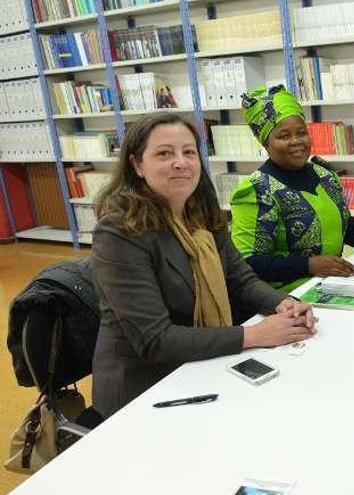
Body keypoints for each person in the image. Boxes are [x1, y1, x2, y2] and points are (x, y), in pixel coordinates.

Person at [90, 113, 317, 419]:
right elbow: (155, 340)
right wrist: (256, 335)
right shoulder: (118, 233)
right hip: (145, 389)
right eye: (164, 153)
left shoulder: (202, 216)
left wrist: (285, 305)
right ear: (137, 165)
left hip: (205, 365)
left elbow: (242, 281)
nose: (180, 162)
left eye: (189, 152)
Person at [230, 85, 354, 293]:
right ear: (266, 143)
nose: (296, 142)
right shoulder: (256, 191)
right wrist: (309, 265)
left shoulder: (325, 174)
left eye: (301, 133)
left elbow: (342, 220)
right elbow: (249, 262)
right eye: (284, 136)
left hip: (332, 283)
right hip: (286, 298)